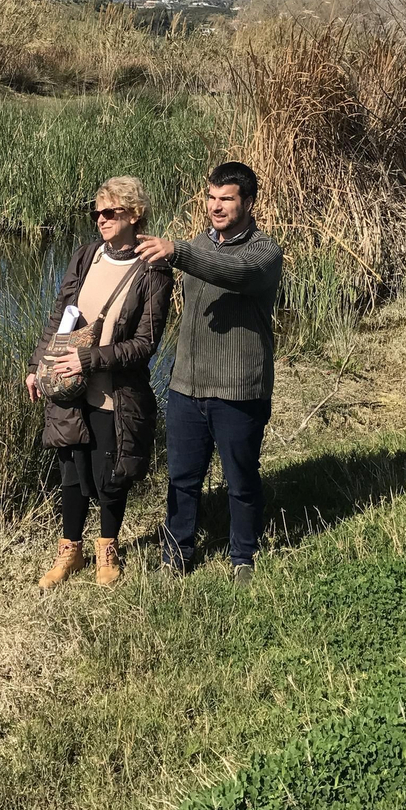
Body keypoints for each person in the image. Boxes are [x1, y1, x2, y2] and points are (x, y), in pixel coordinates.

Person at [136, 161, 282, 584]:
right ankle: (176, 555)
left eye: (226, 199)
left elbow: (235, 274)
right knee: (182, 478)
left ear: (249, 203)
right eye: (211, 197)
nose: (215, 207)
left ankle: (243, 556)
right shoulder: (200, 243)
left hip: (239, 389)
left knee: (241, 477)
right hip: (185, 386)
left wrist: (178, 252)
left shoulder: (263, 252)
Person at [27, 176, 174, 590]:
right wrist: (38, 364)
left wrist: (89, 359)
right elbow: (60, 316)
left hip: (115, 393)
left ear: (135, 214)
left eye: (110, 212)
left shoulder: (154, 270)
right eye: (97, 212)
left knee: (111, 475)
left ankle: (106, 550)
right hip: (68, 387)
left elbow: (145, 345)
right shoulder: (87, 255)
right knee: (70, 470)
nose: (101, 219)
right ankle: (69, 551)